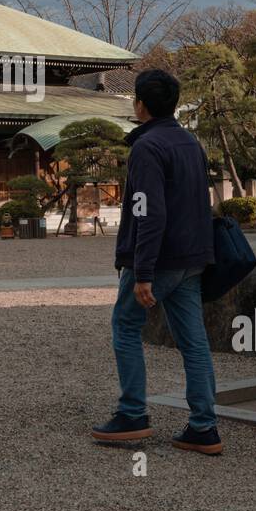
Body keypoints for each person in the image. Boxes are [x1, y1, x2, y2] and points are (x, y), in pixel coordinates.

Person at [92, 69, 222, 455]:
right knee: (193, 341)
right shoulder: (190, 142)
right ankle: (204, 426)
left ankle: (132, 413)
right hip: (193, 256)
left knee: (125, 326)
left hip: (158, 258)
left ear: (140, 106)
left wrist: (143, 271)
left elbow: (149, 213)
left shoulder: (147, 148)